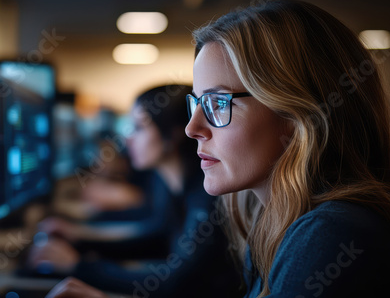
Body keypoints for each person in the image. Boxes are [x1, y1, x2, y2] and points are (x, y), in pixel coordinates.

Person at [46, 0, 390, 298]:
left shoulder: (332, 234)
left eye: (217, 103)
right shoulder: (274, 222)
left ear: (297, 113)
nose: (192, 128)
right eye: (196, 103)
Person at [31, 85, 242, 297]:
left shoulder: (209, 194)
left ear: (174, 133)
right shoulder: (169, 185)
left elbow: (176, 283)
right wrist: (80, 242)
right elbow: (157, 237)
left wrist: (78, 266)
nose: (128, 139)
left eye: (139, 128)